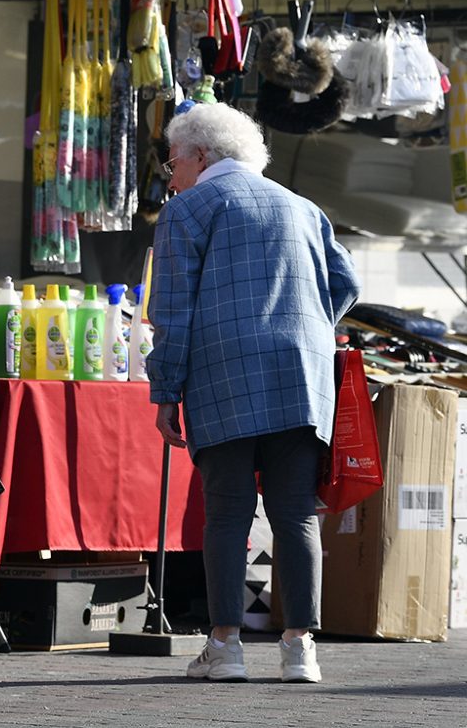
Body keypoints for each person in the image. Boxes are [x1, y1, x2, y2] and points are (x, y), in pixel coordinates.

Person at [146, 103, 360, 683]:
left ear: (201, 155)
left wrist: (165, 389)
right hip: (300, 372)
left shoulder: (187, 210)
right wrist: (307, 326)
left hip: (222, 370)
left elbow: (171, 312)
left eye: (172, 162)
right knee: (295, 513)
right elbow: (348, 283)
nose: (171, 176)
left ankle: (226, 646)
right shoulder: (303, 206)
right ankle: (300, 649)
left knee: (228, 513)